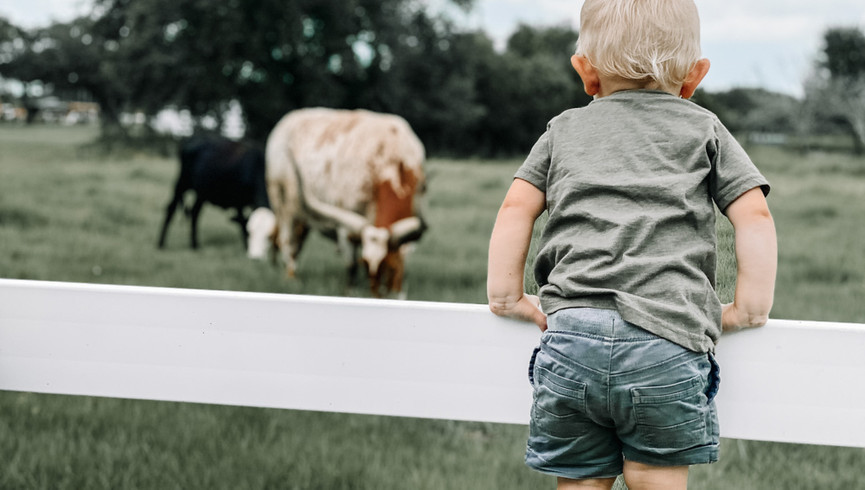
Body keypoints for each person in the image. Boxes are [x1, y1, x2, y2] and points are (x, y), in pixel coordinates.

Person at [486, 0, 778, 489]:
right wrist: (749, 308)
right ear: (694, 77)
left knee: (579, 481)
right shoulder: (703, 126)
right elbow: (754, 212)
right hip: (668, 342)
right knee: (654, 478)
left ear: (586, 72)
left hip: (571, 337)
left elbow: (516, 208)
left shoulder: (563, 129)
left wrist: (506, 297)